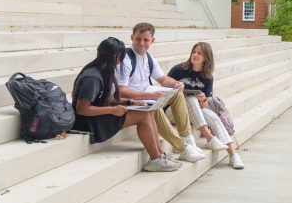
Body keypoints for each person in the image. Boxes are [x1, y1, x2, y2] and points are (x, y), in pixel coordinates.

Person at [71, 37, 180, 172]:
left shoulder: (103, 70)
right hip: (87, 122)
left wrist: (129, 102)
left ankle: (161, 154)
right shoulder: (92, 77)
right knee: (143, 116)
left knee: (148, 111)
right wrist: (112, 110)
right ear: (116, 57)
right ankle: (155, 158)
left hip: (97, 115)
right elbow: (82, 109)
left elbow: (105, 98)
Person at [115, 23, 206, 164]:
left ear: (152, 41)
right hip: (130, 101)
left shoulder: (149, 58)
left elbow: (162, 79)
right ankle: (183, 148)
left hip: (145, 98)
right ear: (132, 37)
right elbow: (121, 91)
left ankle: (189, 140)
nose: (141, 43)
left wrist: (176, 84)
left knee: (177, 93)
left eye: (146, 40)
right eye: (138, 39)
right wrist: (150, 96)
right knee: (154, 107)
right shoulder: (126, 59)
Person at [168, 42, 245, 169]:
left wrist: (203, 100)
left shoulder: (207, 77)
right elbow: (164, 92)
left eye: (199, 53)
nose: (195, 55)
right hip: (172, 111)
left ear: (206, 58)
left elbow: (203, 106)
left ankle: (233, 155)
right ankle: (210, 138)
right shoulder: (178, 70)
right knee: (191, 99)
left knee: (212, 116)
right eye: (194, 52)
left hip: (193, 113)